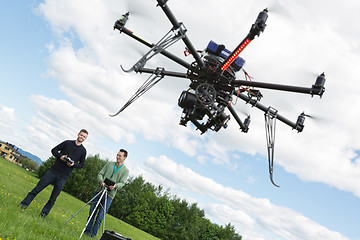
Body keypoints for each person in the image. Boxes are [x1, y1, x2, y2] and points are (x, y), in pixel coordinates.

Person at [20, 129, 88, 218]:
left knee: (53, 198)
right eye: (81, 135)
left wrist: (73, 164)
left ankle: (43, 214)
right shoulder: (67, 143)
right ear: (78, 134)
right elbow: (54, 150)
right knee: (37, 189)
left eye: (84, 136)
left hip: (64, 177)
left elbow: (81, 165)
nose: (82, 137)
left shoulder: (83, 151)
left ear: (85, 139)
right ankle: (23, 205)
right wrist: (61, 156)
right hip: (53, 171)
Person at [84, 149, 129, 238]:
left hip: (109, 195)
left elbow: (122, 183)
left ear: (124, 158)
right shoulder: (109, 164)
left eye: (120, 156)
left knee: (100, 217)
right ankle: (86, 232)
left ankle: (92, 235)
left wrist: (115, 186)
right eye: (117, 155)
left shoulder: (125, 171)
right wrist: (101, 182)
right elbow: (100, 174)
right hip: (99, 191)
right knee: (92, 213)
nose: (118, 157)